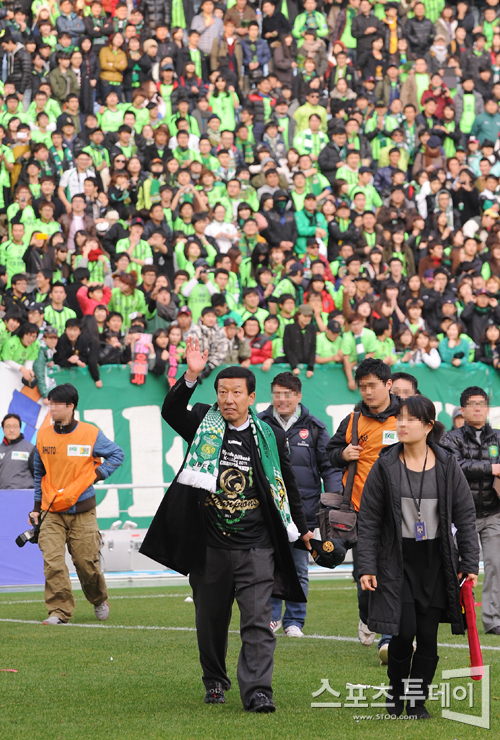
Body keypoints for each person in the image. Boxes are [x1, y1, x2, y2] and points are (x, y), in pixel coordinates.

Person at [140, 337, 314, 712]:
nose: (228, 399)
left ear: (251, 397)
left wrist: (303, 529)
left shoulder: (269, 435)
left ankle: (258, 692)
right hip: (209, 547)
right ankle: (215, 682)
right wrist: (191, 375)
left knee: (258, 622)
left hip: (257, 548)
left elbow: (287, 485)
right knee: (211, 623)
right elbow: (171, 411)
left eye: (236, 392)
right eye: (222, 392)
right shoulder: (203, 421)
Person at [358, 395, 479, 718]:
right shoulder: (385, 465)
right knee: (404, 632)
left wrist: (469, 562)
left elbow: (465, 516)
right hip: (396, 560)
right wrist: (366, 565)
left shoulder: (447, 464)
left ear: (428, 426)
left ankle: (416, 701)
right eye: (400, 418)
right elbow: (368, 520)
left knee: (427, 635)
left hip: (436, 561)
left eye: (411, 419)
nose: (402, 424)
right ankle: (397, 692)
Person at [30, 383, 124, 625]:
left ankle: (98, 599)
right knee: (52, 562)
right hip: (51, 511)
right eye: (50, 404)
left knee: (86, 563)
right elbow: (39, 473)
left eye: (56, 404)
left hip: (82, 510)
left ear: (70, 406)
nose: (52, 408)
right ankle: (59, 611)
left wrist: (96, 475)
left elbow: (117, 455)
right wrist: (36, 508)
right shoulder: (43, 435)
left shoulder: (90, 433)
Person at [327, 358, 399, 663]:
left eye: (373, 385)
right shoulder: (353, 420)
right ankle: (368, 616)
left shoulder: (406, 417)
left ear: (388, 385)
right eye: (363, 386)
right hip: (361, 512)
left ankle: (390, 638)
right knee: (365, 578)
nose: (367, 391)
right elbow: (330, 453)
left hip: (399, 512)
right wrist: (343, 454)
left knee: (393, 574)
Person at [259, 371, 342, 637]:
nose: (281, 399)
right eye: (277, 394)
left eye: (287, 394)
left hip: (302, 512)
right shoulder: (258, 424)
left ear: (298, 396)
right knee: (268, 567)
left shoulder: (315, 428)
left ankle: (294, 621)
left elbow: (329, 468)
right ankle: (271, 618)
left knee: (299, 568)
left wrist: (332, 503)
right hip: (267, 511)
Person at [442, 387, 500, 636]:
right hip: (461, 516)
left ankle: (493, 620)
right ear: (463, 410)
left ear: (487, 409)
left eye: (482, 404)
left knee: (496, 564)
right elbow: (454, 465)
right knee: (460, 567)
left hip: (493, 512)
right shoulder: (451, 439)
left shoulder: (498, 437)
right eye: (472, 404)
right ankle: (460, 616)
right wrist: (490, 468)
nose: (477, 408)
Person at [0, 413, 35, 490]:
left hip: (25, 495)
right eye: (8, 426)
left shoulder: (30, 449)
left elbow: (39, 476)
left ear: (20, 428)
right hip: (2, 495)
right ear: (3, 429)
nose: (11, 430)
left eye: (15, 426)